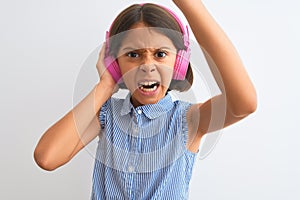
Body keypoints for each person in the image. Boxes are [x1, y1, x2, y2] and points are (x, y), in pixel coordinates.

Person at [34, 1, 257, 199]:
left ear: (179, 62)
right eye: (133, 54)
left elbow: (244, 103)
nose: (147, 65)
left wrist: (189, 4)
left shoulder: (188, 120)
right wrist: (105, 86)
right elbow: (47, 157)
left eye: (160, 54)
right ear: (114, 63)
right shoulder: (106, 114)